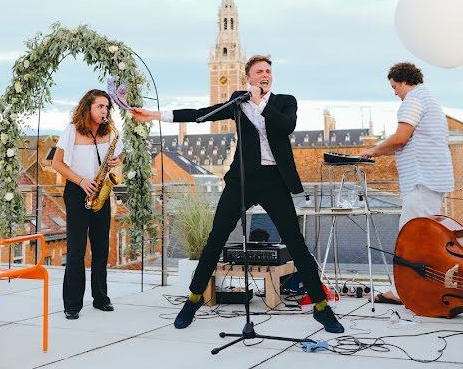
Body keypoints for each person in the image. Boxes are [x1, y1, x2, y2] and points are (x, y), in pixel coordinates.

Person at [131, 55, 345, 333]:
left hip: (274, 181)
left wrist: (260, 102)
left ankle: (321, 308)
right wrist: (155, 115)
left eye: (268, 70)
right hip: (242, 181)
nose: (265, 74)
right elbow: (201, 114)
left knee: (296, 243)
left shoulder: (284, 101)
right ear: (249, 78)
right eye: (259, 71)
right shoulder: (238, 102)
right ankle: (193, 300)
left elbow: (286, 126)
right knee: (216, 238)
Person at [358, 62, 454, 304]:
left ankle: (402, 291)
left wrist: (373, 151)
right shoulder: (430, 98)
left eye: (394, 87)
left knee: (411, 239)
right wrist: (379, 152)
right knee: (428, 239)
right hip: (433, 178)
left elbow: (401, 138)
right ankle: (424, 288)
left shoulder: (412, 100)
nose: (394, 93)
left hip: (420, 180)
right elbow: (409, 143)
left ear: (402, 82)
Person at [52, 89, 124, 320]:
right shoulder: (71, 131)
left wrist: (116, 161)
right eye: (100, 107)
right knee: (76, 249)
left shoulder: (110, 133)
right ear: (88, 108)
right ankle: (72, 304)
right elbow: (57, 164)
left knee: (101, 247)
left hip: (100, 191)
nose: (104, 111)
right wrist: (82, 181)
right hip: (77, 190)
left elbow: (120, 159)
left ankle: (101, 298)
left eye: (107, 107)